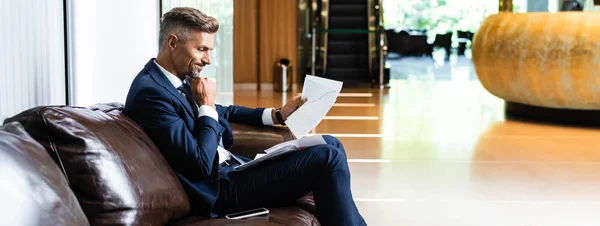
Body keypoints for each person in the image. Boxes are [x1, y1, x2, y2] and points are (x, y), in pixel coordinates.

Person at [124, 7, 365, 226]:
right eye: (201, 49)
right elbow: (199, 165)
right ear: (173, 43)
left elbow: (223, 111)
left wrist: (277, 114)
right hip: (218, 190)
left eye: (209, 50)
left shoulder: (176, 80)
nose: (208, 59)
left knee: (330, 142)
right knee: (327, 157)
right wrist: (206, 106)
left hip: (234, 169)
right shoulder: (150, 94)